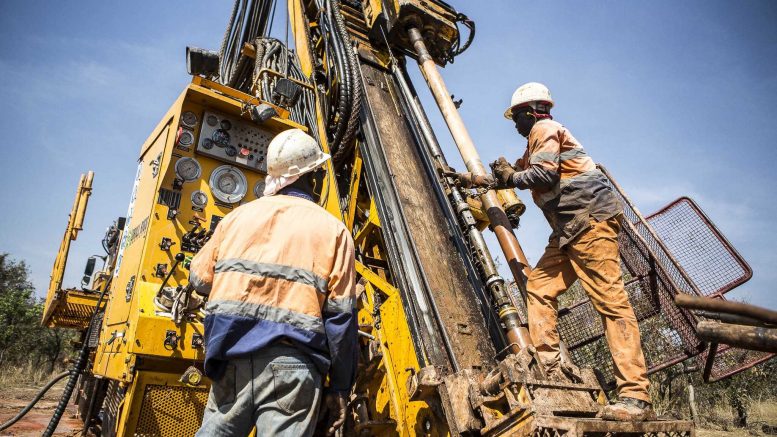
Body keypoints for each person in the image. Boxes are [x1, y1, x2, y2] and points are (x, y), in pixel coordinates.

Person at [455, 82, 654, 421]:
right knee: (539, 287)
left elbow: (542, 174)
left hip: (589, 222)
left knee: (611, 302)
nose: (515, 125)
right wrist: (466, 180)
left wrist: (510, 178)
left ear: (531, 112)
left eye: (517, 118)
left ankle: (635, 395)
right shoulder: (536, 143)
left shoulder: (545, 128)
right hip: (567, 232)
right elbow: (508, 177)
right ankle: (549, 367)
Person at [189, 128, 358, 436]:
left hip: (232, 356)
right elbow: (341, 318)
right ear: (315, 178)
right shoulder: (335, 232)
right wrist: (341, 385)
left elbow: (199, 279)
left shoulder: (235, 219)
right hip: (294, 369)